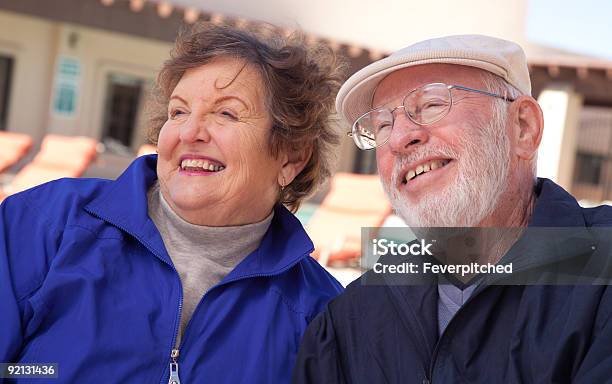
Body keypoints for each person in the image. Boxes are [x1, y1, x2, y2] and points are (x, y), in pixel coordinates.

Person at [0, 22, 345, 383]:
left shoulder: (320, 314)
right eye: (178, 112)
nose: (189, 132)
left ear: (291, 157)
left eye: (226, 113)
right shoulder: (45, 224)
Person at [293, 35, 612, 383]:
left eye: (431, 104)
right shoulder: (349, 318)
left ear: (523, 127)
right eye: (382, 126)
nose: (399, 139)